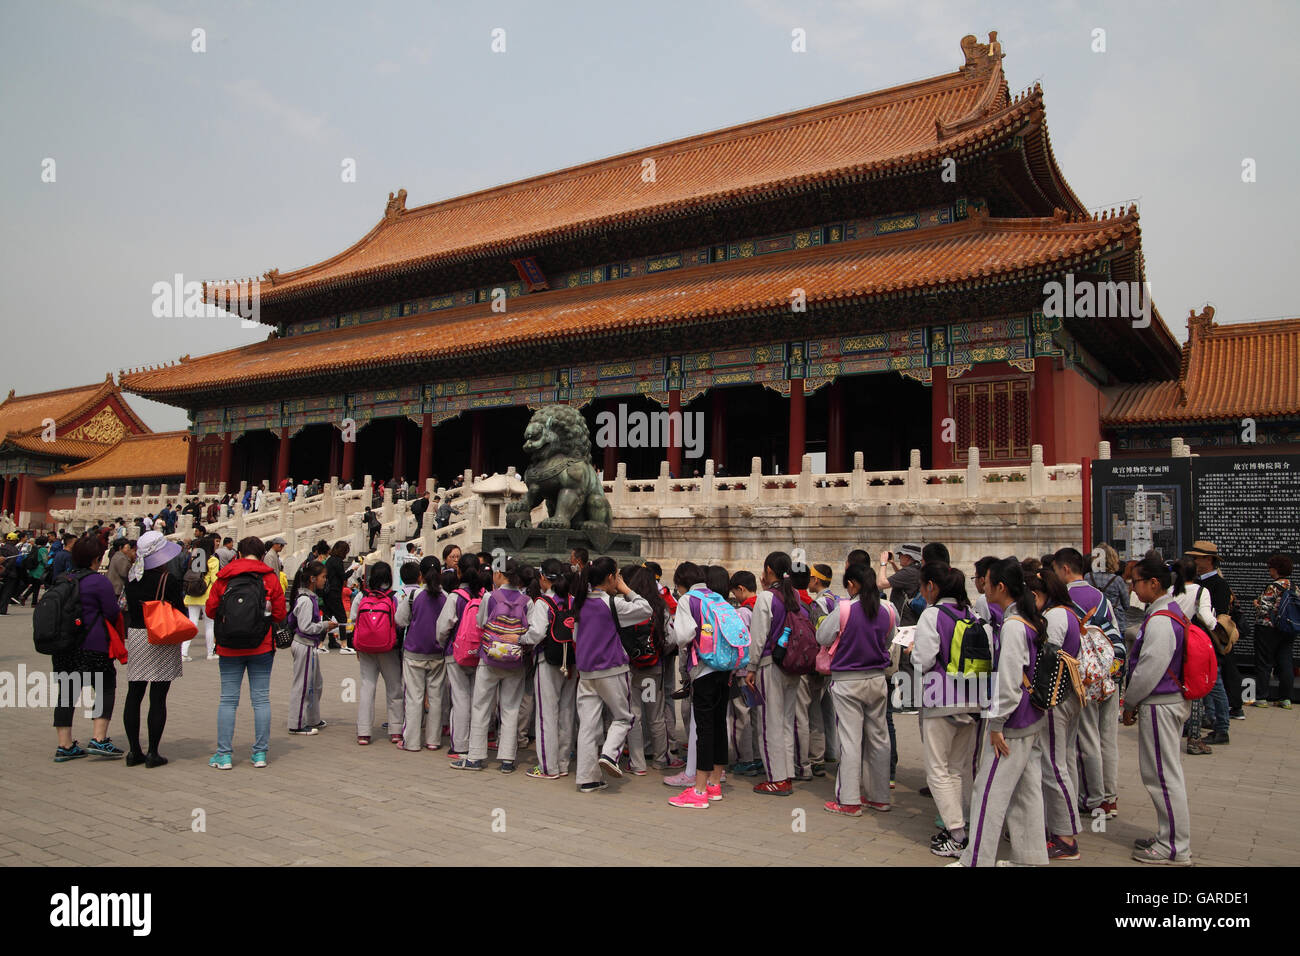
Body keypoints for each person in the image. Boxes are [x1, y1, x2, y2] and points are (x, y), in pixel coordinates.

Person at [955, 558, 1049, 868]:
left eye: (987, 581)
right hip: (1030, 718)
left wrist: (996, 723)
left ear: (1001, 587)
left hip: (1012, 721)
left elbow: (1009, 684)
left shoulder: (1012, 626)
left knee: (988, 792)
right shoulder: (1027, 619)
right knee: (1026, 792)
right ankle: (1030, 858)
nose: (982, 585)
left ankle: (976, 860)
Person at [1124, 556, 1193, 865]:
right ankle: (1169, 835)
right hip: (1165, 701)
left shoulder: (1162, 619)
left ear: (1153, 583)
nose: (1133, 588)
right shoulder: (1167, 613)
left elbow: (1149, 669)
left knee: (1162, 777)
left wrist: (1130, 701)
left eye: (1135, 582)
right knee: (1163, 774)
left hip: (1160, 702)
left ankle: (1176, 847)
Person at [911, 562, 983, 854]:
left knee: (937, 771)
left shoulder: (932, 615)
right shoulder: (973, 613)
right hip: (973, 698)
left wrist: (912, 652)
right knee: (958, 769)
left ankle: (955, 833)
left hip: (941, 698)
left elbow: (924, 660)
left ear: (932, 586)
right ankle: (962, 825)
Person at [817, 562, 894, 817]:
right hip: (877, 679)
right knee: (879, 738)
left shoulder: (844, 609)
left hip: (848, 680)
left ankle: (849, 799)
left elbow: (823, 637)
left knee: (850, 740)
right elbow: (889, 639)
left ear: (851, 584)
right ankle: (879, 796)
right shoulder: (887, 609)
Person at [1051, 547, 1124, 813]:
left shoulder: (1061, 600)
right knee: (1108, 738)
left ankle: (1094, 798)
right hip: (1109, 672)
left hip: (1084, 677)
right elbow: (1115, 632)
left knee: (1088, 738)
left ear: (1065, 569)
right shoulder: (1100, 597)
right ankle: (1111, 796)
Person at [571, 556, 652, 792]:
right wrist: (625, 588)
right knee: (623, 717)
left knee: (588, 725)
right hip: (612, 668)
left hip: (586, 672)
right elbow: (645, 610)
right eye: (616, 575)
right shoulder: (613, 603)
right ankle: (610, 753)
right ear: (610, 577)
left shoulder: (580, 602)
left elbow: (577, 637)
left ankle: (587, 778)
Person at [205, 536, 286, 770]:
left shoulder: (224, 577)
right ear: (262, 555)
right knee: (260, 699)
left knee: (228, 700)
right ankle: (259, 754)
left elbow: (210, 611)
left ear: (238, 554)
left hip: (229, 646)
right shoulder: (269, 577)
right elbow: (280, 613)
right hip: (261, 645)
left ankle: (224, 754)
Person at [452, 558, 537, 772]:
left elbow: (481, 623)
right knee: (510, 708)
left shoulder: (490, 597)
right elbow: (532, 631)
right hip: (515, 661)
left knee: (481, 706)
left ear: (499, 575)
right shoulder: (527, 601)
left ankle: (475, 756)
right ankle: (507, 759)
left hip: (489, 658)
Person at [52, 537, 126, 762]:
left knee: (66, 694)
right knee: (104, 688)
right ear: (96, 558)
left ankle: (64, 745)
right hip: (93, 645)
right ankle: (99, 738)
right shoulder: (98, 582)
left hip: (64, 645)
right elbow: (112, 612)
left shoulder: (63, 579)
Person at [1029, 567, 1084, 861]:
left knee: (1053, 766)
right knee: (1061, 762)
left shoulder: (1053, 617)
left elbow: (1045, 660)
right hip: (1068, 696)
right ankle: (1062, 827)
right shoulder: (1069, 613)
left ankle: (1065, 835)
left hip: (1055, 698)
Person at [744, 550, 808, 796]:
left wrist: (751, 667)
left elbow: (758, 637)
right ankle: (787, 772)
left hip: (770, 664)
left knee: (769, 723)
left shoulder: (766, 598)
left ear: (769, 570)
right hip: (792, 665)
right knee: (785, 722)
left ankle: (776, 778)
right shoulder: (794, 595)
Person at [666, 562, 729, 808]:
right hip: (725, 668)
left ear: (681, 582)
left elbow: (683, 635)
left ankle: (699, 791)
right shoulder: (716, 597)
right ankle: (715, 784)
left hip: (703, 669)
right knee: (719, 725)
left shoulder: (688, 600)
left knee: (704, 730)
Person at [122, 531, 187, 767]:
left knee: (134, 694)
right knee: (158, 697)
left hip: (137, 635)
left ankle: (133, 751)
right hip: (160, 636)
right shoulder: (166, 580)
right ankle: (153, 752)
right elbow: (181, 611)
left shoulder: (132, 577)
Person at [526, 558, 578, 778]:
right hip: (572, 661)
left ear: (544, 578)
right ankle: (563, 763)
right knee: (567, 712)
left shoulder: (543, 603)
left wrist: (521, 639)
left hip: (548, 660)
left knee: (547, 714)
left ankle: (548, 767)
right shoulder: (574, 600)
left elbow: (536, 633)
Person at [1186, 541, 1244, 721]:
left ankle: (1222, 721)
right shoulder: (1196, 582)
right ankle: (1209, 716)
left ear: (1209, 560)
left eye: (1197, 558)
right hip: (1196, 637)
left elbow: (1219, 614)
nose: (1194, 561)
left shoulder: (1219, 584)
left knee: (1216, 681)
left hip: (1209, 638)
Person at [396, 556, 447, 751]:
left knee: (414, 697)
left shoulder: (413, 596)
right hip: (437, 653)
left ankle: (412, 741)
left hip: (414, 653)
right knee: (435, 698)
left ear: (421, 575)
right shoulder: (446, 596)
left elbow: (400, 620)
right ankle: (433, 740)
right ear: (440, 573)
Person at [436, 553, 485, 760]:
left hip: (455, 653)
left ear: (458, 571)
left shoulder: (455, 597)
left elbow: (442, 628)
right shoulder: (485, 596)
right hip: (479, 653)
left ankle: (460, 745)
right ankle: (477, 742)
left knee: (460, 698)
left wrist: (444, 644)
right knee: (477, 699)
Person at [622, 564, 670, 775]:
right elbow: (671, 638)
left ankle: (638, 763)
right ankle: (660, 759)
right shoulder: (660, 607)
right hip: (652, 668)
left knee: (634, 716)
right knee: (655, 715)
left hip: (630, 669)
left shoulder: (626, 606)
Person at [350, 561, 404, 746]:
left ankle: (364, 731)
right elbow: (399, 621)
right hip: (389, 648)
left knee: (367, 687)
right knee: (394, 687)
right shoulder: (394, 597)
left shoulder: (361, 596)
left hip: (365, 648)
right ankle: (396, 730)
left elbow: (353, 619)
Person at [1172, 558, 1216, 755]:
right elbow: (1207, 618)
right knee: (1195, 691)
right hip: (1192, 644)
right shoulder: (1201, 591)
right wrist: (1216, 623)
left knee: (1174, 687)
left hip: (1172, 641)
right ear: (1195, 573)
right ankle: (1194, 738)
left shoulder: (1170, 591)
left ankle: (1174, 733)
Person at [1252, 554, 1295, 709]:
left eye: (1270, 568)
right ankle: (1286, 699)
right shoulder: (1294, 586)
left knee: (1264, 662)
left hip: (1268, 628)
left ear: (1275, 569)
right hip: (1288, 629)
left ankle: (1262, 698)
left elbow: (1265, 608)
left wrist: (1256, 604)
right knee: (1285, 661)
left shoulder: (1273, 587)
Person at [182, 536, 219, 662]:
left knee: (192, 622)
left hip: (192, 594)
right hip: (206, 596)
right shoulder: (213, 560)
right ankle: (210, 652)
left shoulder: (194, 559)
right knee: (209, 624)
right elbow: (215, 580)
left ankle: (184, 652)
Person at [324, 541, 355, 654]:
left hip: (327, 593)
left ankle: (322, 644)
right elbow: (343, 576)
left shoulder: (330, 560)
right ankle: (344, 644)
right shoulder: (337, 561)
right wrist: (353, 569)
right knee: (342, 618)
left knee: (327, 618)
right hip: (334, 593)